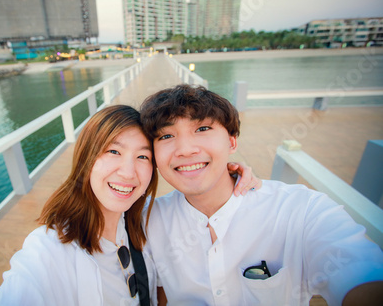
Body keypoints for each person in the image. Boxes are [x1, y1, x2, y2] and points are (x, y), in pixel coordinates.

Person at [0, 104, 259, 305]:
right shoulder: (49, 250)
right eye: (113, 151)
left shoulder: (146, 220)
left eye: (143, 157)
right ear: (86, 158)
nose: (128, 173)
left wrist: (225, 172)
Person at [139, 84, 383, 306]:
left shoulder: (301, 210)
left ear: (232, 142)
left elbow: (357, 270)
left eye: (202, 129)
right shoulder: (148, 221)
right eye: (167, 136)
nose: (186, 150)